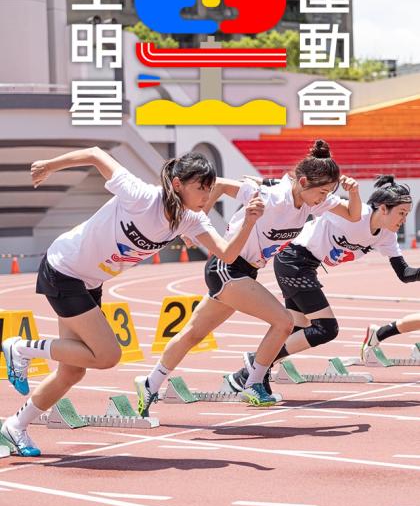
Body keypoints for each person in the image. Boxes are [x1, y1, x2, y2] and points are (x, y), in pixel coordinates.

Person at [1, 147, 265, 457]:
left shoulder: (190, 220)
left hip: (89, 281)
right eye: (201, 188)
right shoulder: (141, 196)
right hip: (64, 269)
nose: (207, 196)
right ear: (177, 184)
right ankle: (20, 348)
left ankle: (15, 426)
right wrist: (49, 165)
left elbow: (227, 254)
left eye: (210, 189)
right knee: (107, 355)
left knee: (72, 372)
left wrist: (249, 222)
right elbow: (96, 154)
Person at [135, 139, 361, 416]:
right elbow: (218, 184)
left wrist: (354, 192)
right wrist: (196, 223)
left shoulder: (311, 204)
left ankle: (149, 383)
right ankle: (252, 383)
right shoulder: (271, 196)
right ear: (303, 182)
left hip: (245, 272)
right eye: (322, 192)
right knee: (283, 322)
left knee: (194, 333)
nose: (324, 198)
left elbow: (353, 215)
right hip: (227, 267)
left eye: (328, 193)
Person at [228, 174, 416, 391]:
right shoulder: (354, 214)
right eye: (401, 213)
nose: (404, 219)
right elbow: (307, 193)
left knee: (296, 328)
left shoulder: (387, 236)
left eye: (407, 214)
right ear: (383, 208)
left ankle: (246, 375)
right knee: (326, 328)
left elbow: (404, 273)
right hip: (294, 258)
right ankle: (255, 362)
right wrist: (266, 182)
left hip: (307, 266)